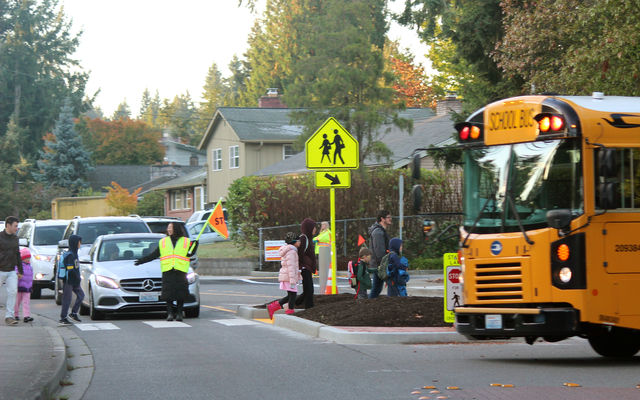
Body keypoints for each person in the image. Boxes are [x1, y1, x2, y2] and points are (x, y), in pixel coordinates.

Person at [134, 222, 198, 321]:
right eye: (168, 228)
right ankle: (170, 313)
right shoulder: (163, 242)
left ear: (176, 229)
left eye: (170, 228)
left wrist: (195, 246)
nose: (168, 230)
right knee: (168, 294)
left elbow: (190, 254)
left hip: (180, 270)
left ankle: (180, 313)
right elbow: (154, 254)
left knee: (181, 293)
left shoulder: (186, 241)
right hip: (168, 270)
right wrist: (142, 261)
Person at [267, 232, 302, 319]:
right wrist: (293, 281)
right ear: (294, 242)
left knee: (291, 295)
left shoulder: (288, 250)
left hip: (287, 276)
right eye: (298, 240)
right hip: (289, 277)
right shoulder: (291, 252)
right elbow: (291, 267)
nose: (300, 242)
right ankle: (288, 310)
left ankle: (279, 308)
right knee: (293, 295)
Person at [0, 216, 22, 325]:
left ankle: (9, 316)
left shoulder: (15, 238)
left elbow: (17, 254)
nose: (17, 228)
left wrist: (21, 270)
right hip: (0, 270)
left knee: (13, 292)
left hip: (12, 270)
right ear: (8, 225)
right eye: (15, 226)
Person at [59, 234, 85, 325]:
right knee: (67, 299)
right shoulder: (71, 255)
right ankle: (63, 318)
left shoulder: (75, 253)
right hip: (69, 281)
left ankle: (73, 313)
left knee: (81, 295)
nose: (80, 244)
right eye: (79, 242)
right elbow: (70, 269)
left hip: (75, 281)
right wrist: (77, 277)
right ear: (75, 243)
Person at [368, 210, 391, 299]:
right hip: (380, 264)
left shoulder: (381, 231)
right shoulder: (378, 232)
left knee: (377, 288)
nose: (390, 219)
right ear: (382, 219)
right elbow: (379, 251)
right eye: (388, 217)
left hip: (379, 264)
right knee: (377, 288)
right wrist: (384, 265)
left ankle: (370, 303)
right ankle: (369, 303)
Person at [295, 218, 317, 309]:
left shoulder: (309, 239)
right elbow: (299, 254)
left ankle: (295, 303)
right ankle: (309, 308)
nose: (315, 229)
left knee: (308, 290)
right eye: (313, 227)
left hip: (307, 267)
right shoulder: (303, 239)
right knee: (309, 290)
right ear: (309, 228)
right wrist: (300, 267)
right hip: (304, 268)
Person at [15, 248, 34, 322]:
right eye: (26, 258)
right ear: (22, 258)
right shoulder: (18, 266)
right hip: (19, 287)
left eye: (28, 258)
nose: (27, 259)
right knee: (17, 302)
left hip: (27, 288)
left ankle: (26, 316)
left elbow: (31, 277)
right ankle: (15, 314)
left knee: (26, 302)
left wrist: (31, 286)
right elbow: (16, 273)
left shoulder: (29, 266)